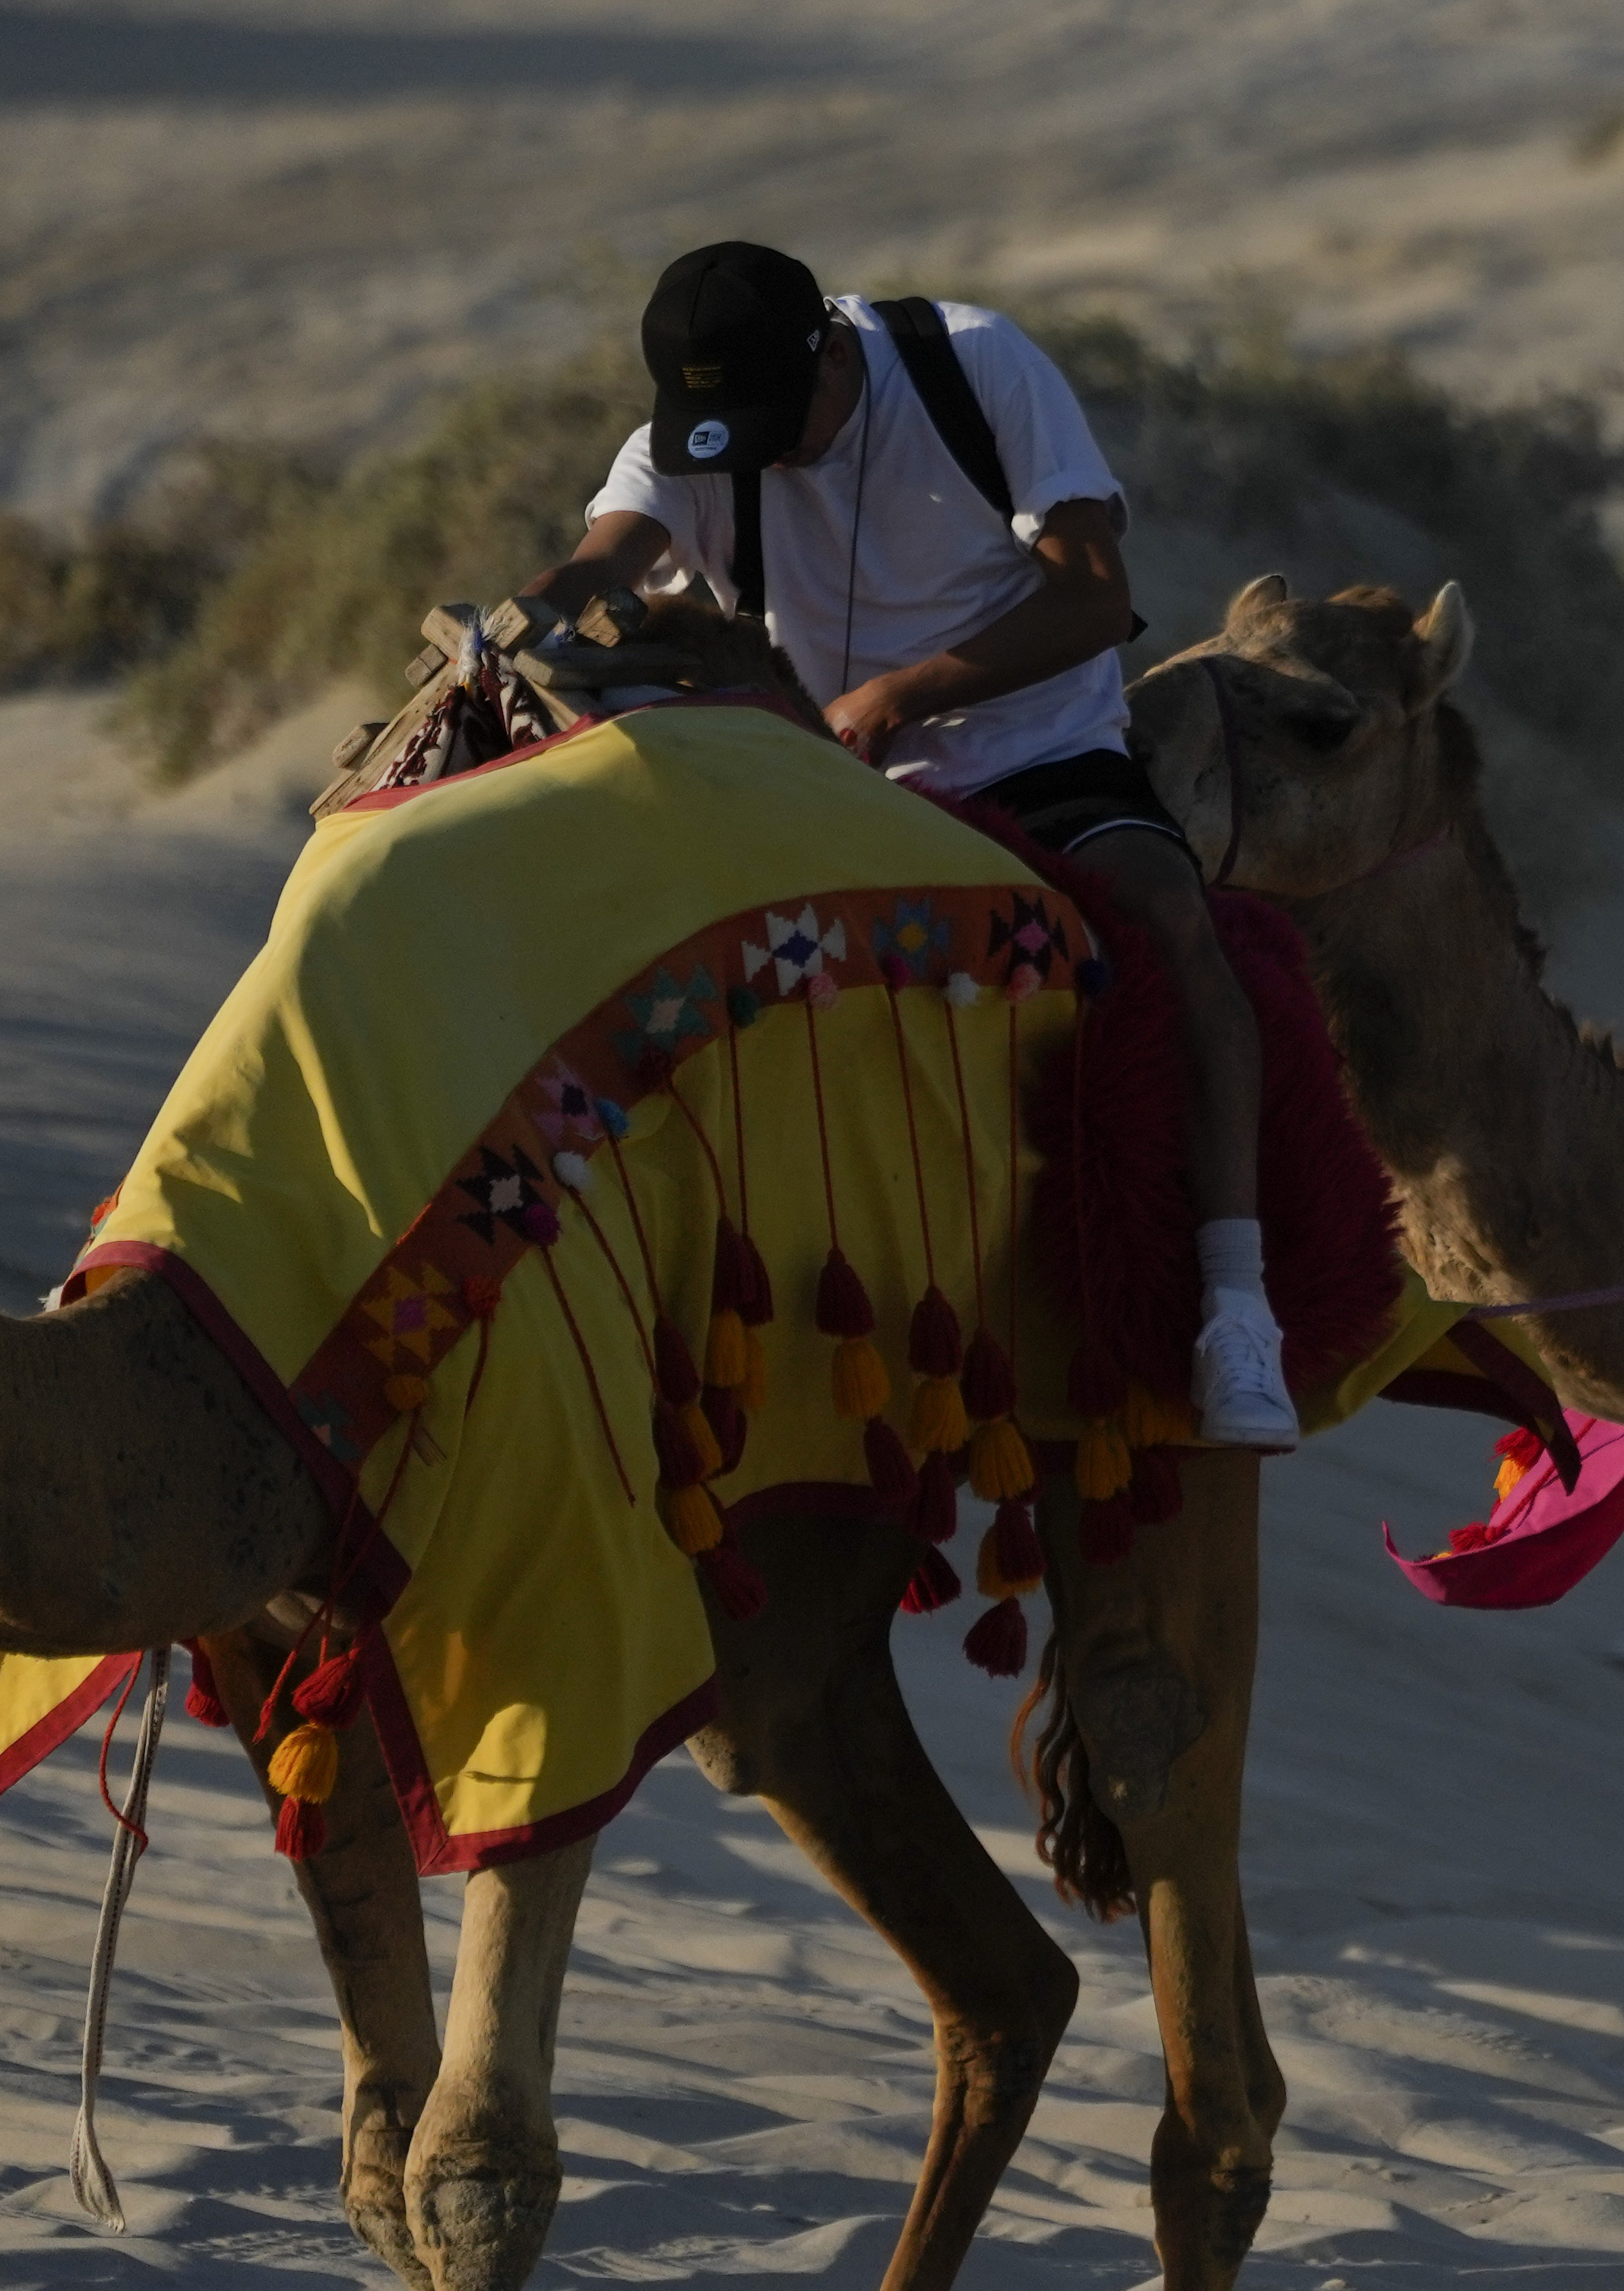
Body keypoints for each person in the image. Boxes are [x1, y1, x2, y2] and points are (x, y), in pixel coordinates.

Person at [529, 239, 1300, 1453]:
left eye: (775, 420)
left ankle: (1237, 1310)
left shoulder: (974, 365)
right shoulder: (698, 441)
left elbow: (1095, 594)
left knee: (1171, 923)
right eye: (728, 429)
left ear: (830, 352)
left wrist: (898, 700)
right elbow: (598, 567)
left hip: (1034, 756)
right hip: (814, 783)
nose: (763, 451)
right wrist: (523, 626)